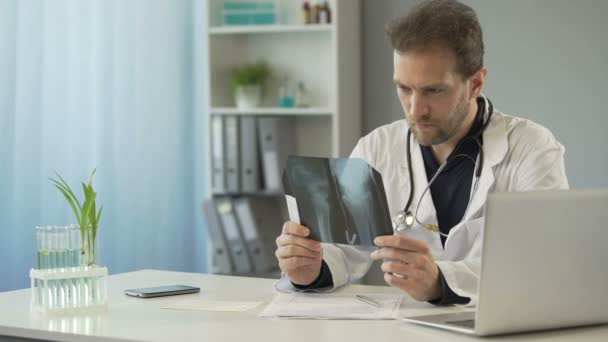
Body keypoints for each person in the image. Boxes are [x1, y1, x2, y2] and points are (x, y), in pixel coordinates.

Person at [274, 0, 568, 306]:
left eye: (434, 91)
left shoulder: (531, 149)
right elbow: (343, 249)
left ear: (476, 83)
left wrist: (441, 282)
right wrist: (309, 267)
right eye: (404, 88)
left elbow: (543, 265)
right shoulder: (377, 148)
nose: (416, 110)